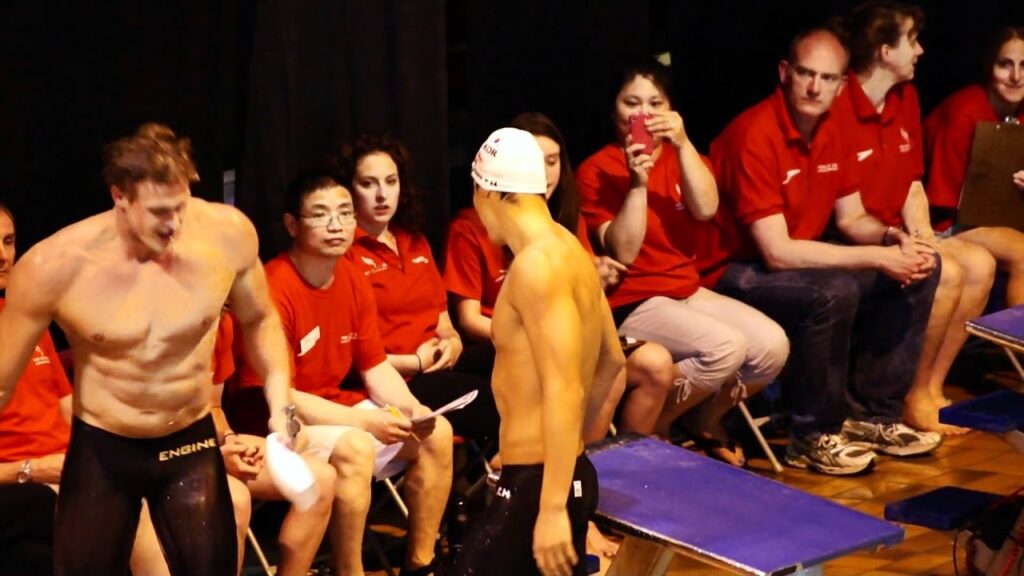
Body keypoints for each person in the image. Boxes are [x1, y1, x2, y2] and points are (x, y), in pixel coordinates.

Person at [0, 124, 296, 575]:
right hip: (104, 449)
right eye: (159, 212)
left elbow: (260, 319)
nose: (174, 224)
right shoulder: (53, 266)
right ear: (120, 197)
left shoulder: (226, 234)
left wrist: (280, 397)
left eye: (180, 207)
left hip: (188, 440)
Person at [704, 27, 942, 476]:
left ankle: (872, 417)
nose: (814, 87)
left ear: (842, 84)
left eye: (827, 78)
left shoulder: (834, 129)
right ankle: (812, 436)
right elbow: (775, 252)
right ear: (785, 73)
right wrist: (875, 258)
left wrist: (891, 238)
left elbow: (852, 220)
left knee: (922, 266)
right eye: (805, 74)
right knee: (832, 292)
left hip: (797, 259)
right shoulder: (754, 133)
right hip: (734, 269)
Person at [235, 172, 452, 576]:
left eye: (345, 213)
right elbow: (283, 396)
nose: (336, 225)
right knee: (356, 445)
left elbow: (374, 366)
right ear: (291, 225)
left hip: (335, 407)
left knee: (435, 432)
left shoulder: (351, 275)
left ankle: (422, 563)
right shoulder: (275, 288)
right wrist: (364, 420)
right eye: (321, 215)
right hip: (274, 425)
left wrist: (412, 407)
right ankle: (349, 570)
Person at [575, 56, 789, 465]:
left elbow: (706, 208)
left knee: (771, 346)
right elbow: (623, 251)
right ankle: (657, 425)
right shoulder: (596, 169)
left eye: (655, 103)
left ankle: (702, 417)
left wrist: (685, 143)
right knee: (726, 346)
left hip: (684, 290)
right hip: (631, 300)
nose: (644, 114)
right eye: (631, 103)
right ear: (613, 110)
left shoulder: (679, 156)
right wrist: (638, 183)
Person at [453, 127, 625, 576]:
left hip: (538, 489)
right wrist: (571, 454)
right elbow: (612, 360)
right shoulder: (570, 250)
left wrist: (549, 504)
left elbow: (564, 387)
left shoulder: (535, 267)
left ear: (484, 190)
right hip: (556, 473)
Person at [832, 1, 997, 435]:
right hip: (855, 238)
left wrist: (923, 234)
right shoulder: (840, 101)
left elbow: (912, 183)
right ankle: (910, 395)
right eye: (912, 41)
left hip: (898, 231)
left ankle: (928, 388)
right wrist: (908, 243)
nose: (921, 50)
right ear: (886, 51)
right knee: (944, 271)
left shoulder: (905, 97)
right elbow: (844, 212)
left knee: (980, 264)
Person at [337, 133, 500, 445]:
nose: (382, 194)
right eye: (368, 184)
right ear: (349, 190)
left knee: (524, 363)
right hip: (399, 380)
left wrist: (452, 344)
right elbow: (355, 359)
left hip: (439, 364)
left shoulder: (414, 242)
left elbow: (445, 324)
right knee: (503, 402)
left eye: (390, 181)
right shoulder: (345, 252)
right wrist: (418, 362)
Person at [924, 26, 1024, 300]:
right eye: (1005, 64)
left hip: (1001, 221)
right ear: (989, 67)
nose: (1016, 77)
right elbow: (943, 204)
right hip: (946, 227)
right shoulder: (963, 112)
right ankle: (1014, 341)